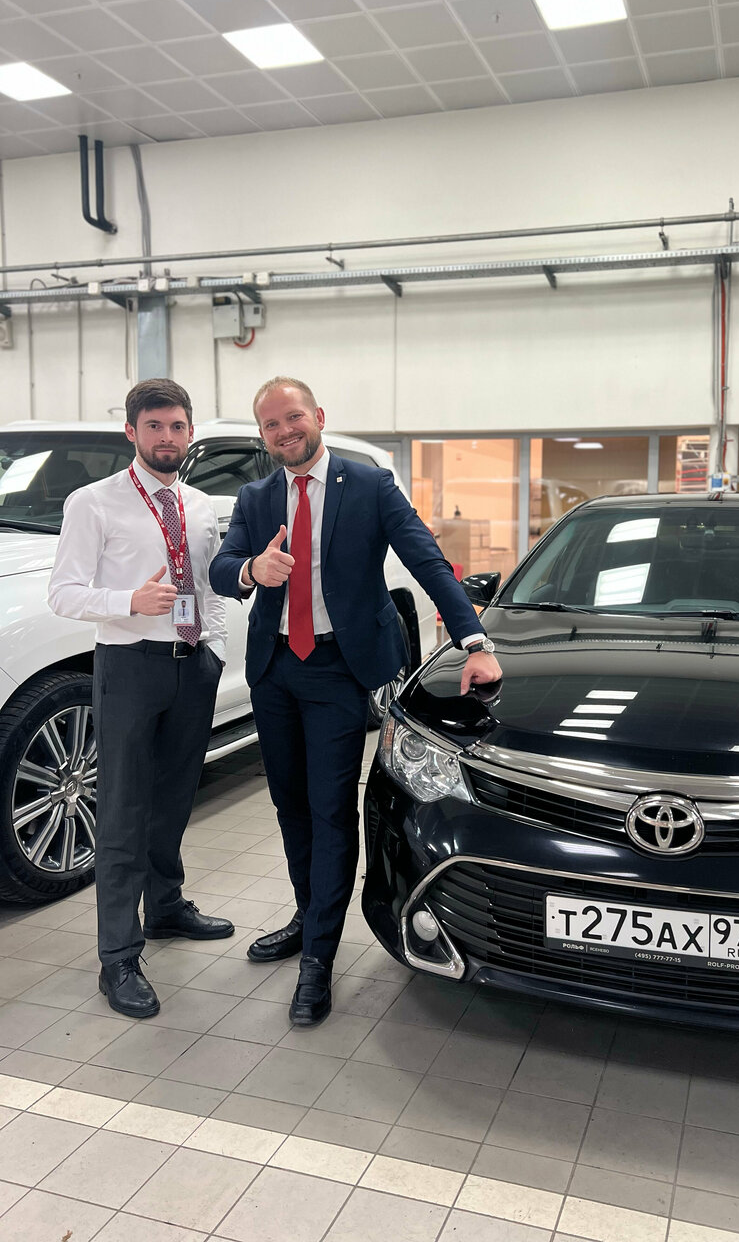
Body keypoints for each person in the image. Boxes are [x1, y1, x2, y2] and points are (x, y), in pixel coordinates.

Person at [210, 376, 501, 1027]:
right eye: (271, 425)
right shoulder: (256, 498)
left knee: (330, 810)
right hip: (274, 671)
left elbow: (427, 559)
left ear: (317, 415)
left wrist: (474, 640)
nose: (284, 432)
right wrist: (252, 570)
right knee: (289, 805)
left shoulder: (368, 485)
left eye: (293, 417)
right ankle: (306, 913)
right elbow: (222, 569)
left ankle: (319, 957)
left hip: (338, 672)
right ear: (263, 436)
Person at [48, 380, 234, 1019]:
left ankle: (166, 908)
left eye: (177, 426)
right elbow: (64, 593)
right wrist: (128, 600)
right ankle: (118, 956)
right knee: (124, 810)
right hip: (129, 666)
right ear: (132, 432)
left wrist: (212, 646)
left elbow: (205, 584)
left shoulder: (198, 505)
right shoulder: (93, 503)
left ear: (190, 433)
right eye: (154, 426)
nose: (166, 437)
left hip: (192, 665)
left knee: (176, 798)